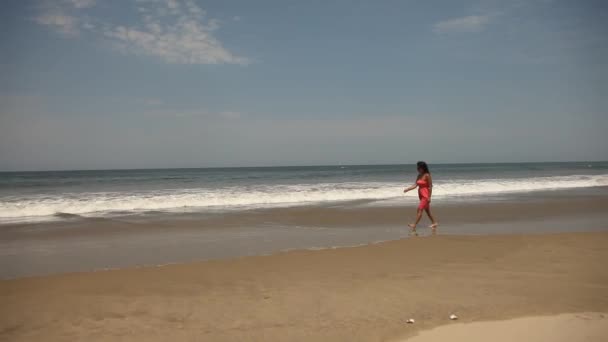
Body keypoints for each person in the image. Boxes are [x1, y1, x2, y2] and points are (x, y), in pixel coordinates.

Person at [403, 161, 438, 234]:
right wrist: (408, 189)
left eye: (419, 167)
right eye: (417, 167)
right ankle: (434, 223)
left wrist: (429, 197)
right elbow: (415, 185)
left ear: (423, 168)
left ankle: (414, 225)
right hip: (421, 194)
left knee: (419, 209)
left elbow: (430, 186)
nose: (417, 169)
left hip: (426, 195)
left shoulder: (427, 175)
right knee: (427, 211)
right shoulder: (419, 175)